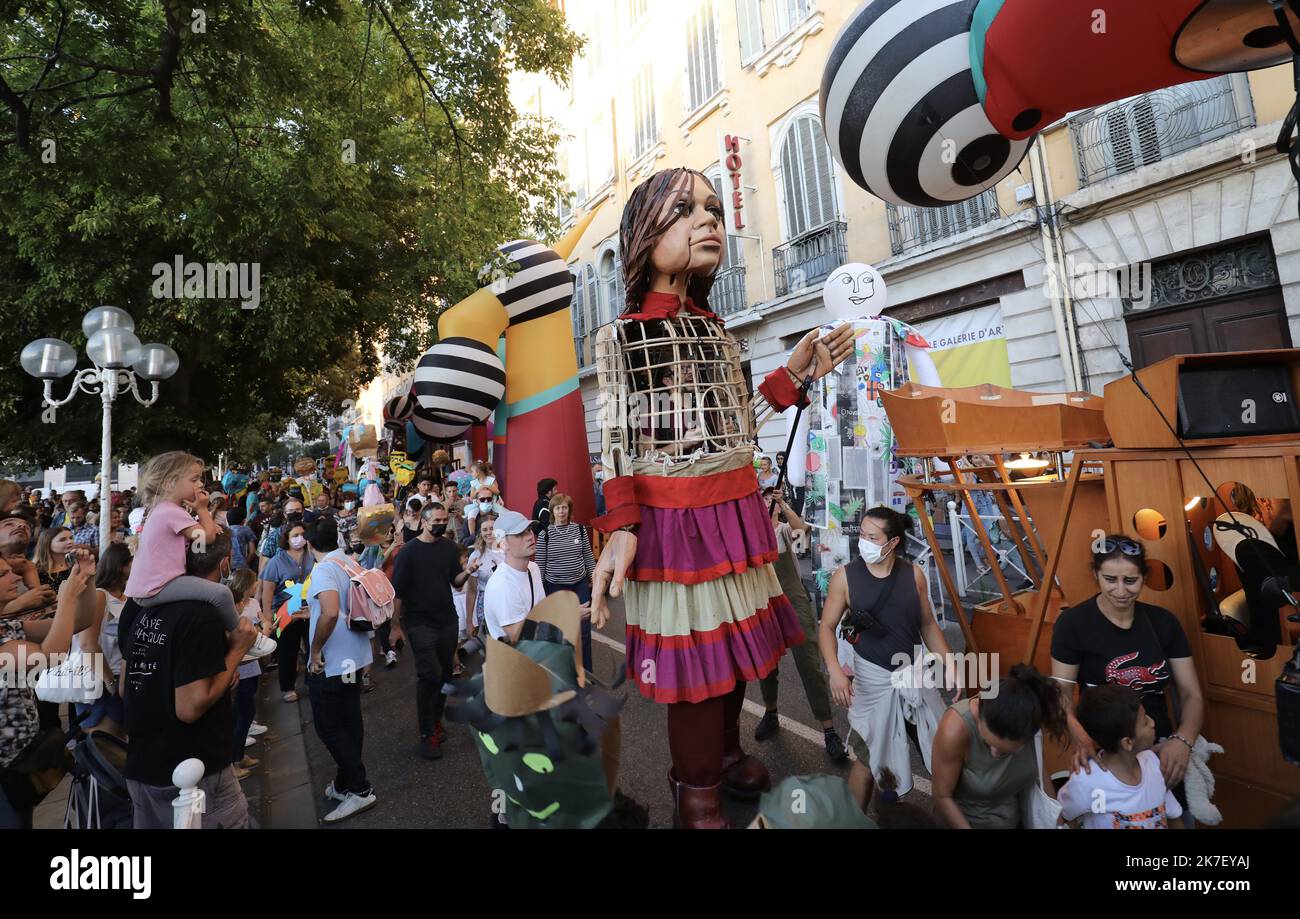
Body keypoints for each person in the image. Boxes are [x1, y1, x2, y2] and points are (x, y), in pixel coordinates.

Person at [588, 166, 855, 828]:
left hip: (735, 510)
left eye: (712, 207)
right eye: (685, 209)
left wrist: (796, 373)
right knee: (700, 668)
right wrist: (621, 524)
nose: (710, 218)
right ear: (645, 235)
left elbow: (738, 418)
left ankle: (727, 754)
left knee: (735, 654)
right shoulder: (621, 335)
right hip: (679, 522)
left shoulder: (717, 329)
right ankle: (695, 787)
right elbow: (617, 438)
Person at [1050, 535, 1202, 814]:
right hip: (1105, 755)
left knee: (1173, 816)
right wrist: (1081, 739)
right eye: (1110, 579)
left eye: (1130, 581)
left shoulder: (1164, 622)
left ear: (1144, 577)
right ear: (1096, 575)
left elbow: (1191, 693)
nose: (1120, 590)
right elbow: (1059, 694)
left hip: (1162, 751)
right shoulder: (1073, 624)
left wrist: (1183, 741)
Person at [119, 526, 258, 829]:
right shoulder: (200, 614)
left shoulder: (143, 605)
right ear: (225, 563)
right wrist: (236, 652)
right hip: (194, 775)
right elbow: (190, 707)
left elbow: (126, 685)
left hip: (144, 768)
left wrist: (219, 672)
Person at [818, 507, 954, 809]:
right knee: (868, 758)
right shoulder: (845, 577)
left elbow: (928, 625)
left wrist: (951, 664)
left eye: (872, 536)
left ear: (892, 542)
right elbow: (826, 628)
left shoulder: (914, 574)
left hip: (913, 679)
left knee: (943, 748)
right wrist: (835, 671)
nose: (863, 541)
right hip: (873, 684)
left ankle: (954, 813)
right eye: (862, 534)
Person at [124, 452, 275, 659]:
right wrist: (203, 509)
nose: (200, 484)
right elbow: (206, 538)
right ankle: (243, 637)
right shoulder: (170, 511)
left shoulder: (164, 510)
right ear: (169, 484)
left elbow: (199, 539)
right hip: (158, 586)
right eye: (194, 479)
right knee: (220, 594)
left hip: (151, 585)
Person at [0, 549, 96, 828]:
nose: (13, 577)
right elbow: (52, 653)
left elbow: (79, 622)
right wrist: (66, 595)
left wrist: (85, 579)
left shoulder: (8, 627)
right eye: (3, 574)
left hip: (19, 763)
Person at [754, 488, 848, 762]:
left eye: (768, 499)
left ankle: (829, 730)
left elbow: (802, 529)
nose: (766, 502)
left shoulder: (784, 530)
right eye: (761, 498)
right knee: (767, 666)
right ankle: (771, 714)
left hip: (794, 601)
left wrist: (783, 502)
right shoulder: (749, 536)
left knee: (809, 663)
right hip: (764, 604)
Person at [930, 664, 1068, 829]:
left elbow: (1040, 772)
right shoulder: (955, 729)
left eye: (1005, 752)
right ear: (980, 713)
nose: (995, 754)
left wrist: (1058, 825)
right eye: (988, 744)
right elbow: (942, 796)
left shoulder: (1028, 715)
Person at [304, 515, 377, 821]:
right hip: (355, 656)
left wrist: (315, 649)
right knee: (349, 719)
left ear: (309, 545)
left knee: (329, 726)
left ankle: (359, 788)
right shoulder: (349, 562)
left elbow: (332, 612)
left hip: (331, 662)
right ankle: (346, 782)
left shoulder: (323, 570)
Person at [388, 501, 468, 760]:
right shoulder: (408, 552)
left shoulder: (448, 548)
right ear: (423, 521)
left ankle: (435, 720)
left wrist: (468, 572)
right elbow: (397, 593)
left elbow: (455, 582)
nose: (442, 525)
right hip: (419, 622)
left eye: (444, 521)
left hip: (447, 620)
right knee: (429, 674)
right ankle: (426, 733)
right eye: (436, 521)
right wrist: (395, 627)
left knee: (445, 674)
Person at [1057, 683, 1182, 829]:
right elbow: (1063, 816)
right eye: (1145, 722)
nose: (1153, 723)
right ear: (1128, 742)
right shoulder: (1086, 782)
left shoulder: (1153, 762)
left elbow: (1173, 815)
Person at [76, 543, 134, 739]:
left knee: (119, 743)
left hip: (122, 677)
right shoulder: (100, 595)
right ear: (121, 565)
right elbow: (87, 643)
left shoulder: (129, 596)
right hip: (101, 678)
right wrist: (110, 681)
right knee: (104, 745)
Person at [536, 493, 595, 670]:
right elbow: (540, 566)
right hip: (555, 587)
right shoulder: (544, 535)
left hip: (580, 586)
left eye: (564, 507)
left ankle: (586, 671)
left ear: (569, 510)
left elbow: (588, 556)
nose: (561, 511)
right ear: (553, 511)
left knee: (583, 631)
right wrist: (541, 594)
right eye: (558, 508)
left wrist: (595, 578)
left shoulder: (580, 530)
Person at [260, 520, 315, 703]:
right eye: (295, 535)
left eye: (302, 534)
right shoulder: (276, 561)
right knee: (287, 652)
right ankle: (288, 687)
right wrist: (267, 617)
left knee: (313, 645)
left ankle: (312, 680)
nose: (300, 538)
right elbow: (267, 592)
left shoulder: (312, 554)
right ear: (286, 538)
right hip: (286, 613)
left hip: (310, 610)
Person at [482, 510, 545, 644]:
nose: (530, 536)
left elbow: (542, 612)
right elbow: (518, 635)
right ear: (503, 544)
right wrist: (564, 618)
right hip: (514, 661)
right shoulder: (502, 584)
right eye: (520, 534)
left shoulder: (534, 568)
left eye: (529, 530)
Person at [229, 569, 268, 780]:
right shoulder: (230, 607)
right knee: (242, 711)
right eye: (254, 583)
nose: (256, 586)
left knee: (247, 708)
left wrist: (265, 625)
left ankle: (239, 755)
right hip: (239, 664)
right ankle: (233, 760)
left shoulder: (252, 603)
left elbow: (261, 622)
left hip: (252, 663)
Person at [0, 513, 55, 618]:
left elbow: (37, 606)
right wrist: (22, 602)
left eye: (27, 526)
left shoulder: (28, 566)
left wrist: (45, 598)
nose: (22, 526)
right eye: (9, 524)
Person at [465, 513, 501, 640]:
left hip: (506, 602)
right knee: (489, 644)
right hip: (485, 604)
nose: (489, 533)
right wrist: (469, 621)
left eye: (492, 528)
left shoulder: (509, 552)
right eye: (485, 529)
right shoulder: (476, 556)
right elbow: (471, 591)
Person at [33, 525, 75, 590]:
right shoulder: (37, 571)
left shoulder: (74, 562)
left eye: (71, 538)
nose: (70, 542)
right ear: (47, 543)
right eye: (62, 540)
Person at [226, 504, 257, 572]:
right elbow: (252, 551)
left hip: (226, 565)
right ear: (244, 520)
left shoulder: (224, 530)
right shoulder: (246, 529)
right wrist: (246, 563)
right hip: (241, 565)